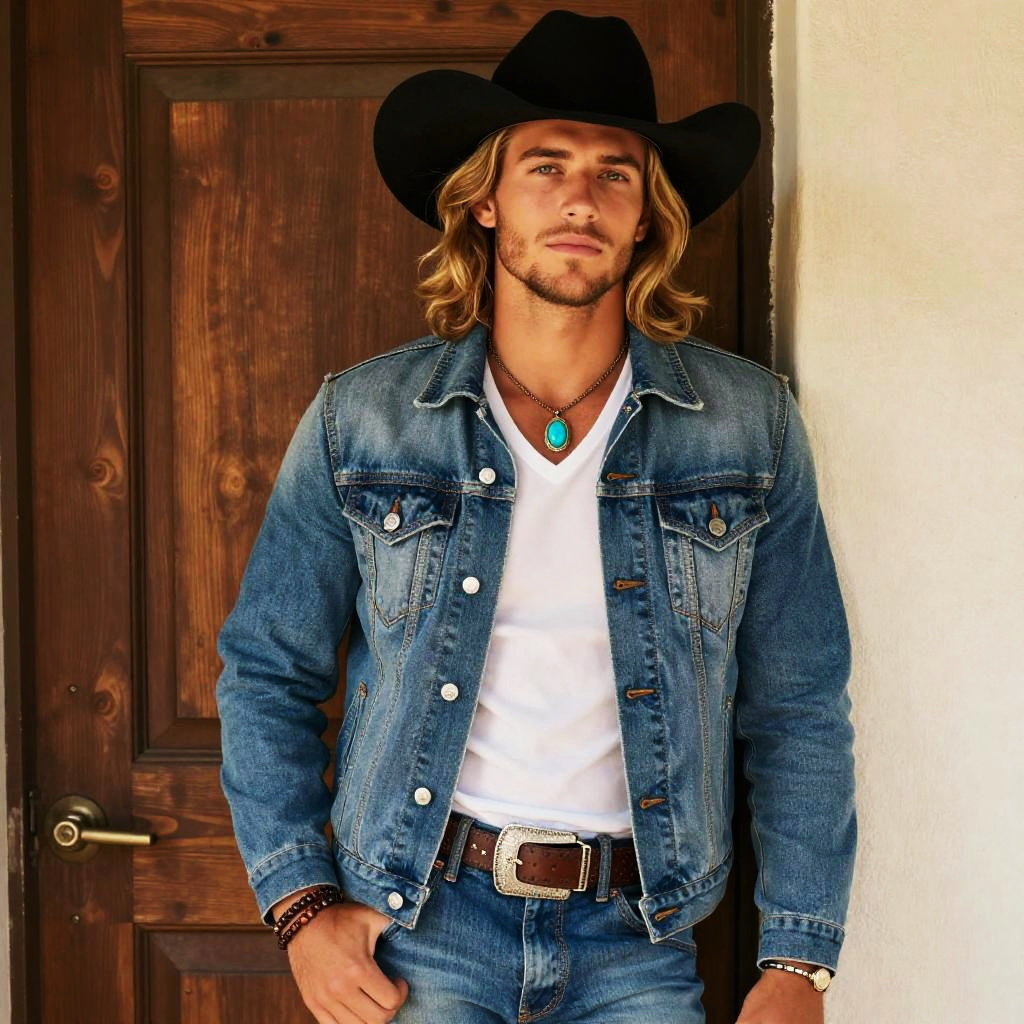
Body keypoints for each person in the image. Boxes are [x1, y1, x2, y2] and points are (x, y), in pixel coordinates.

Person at [215, 10, 856, 1024]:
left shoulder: (746, 425)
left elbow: (799, 704)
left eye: (614, 172)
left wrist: (797, 958)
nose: (579, 200)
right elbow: (265, 669)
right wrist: (302, 905)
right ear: (483, 203)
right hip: (421, 923)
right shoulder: (364, 419)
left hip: (639, 937)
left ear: (646, 214)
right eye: (545, 166)